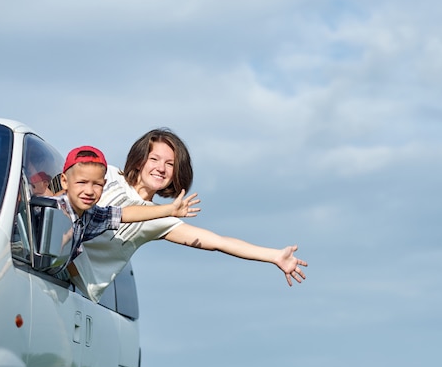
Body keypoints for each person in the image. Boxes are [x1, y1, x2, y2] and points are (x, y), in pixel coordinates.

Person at [70, 129, 307, 303]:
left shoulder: (161, 219)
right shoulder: (107, 175)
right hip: (53, 263)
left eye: (170, 164)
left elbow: (219, 242)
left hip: (78, 287)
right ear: (140, 159)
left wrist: (274, 255)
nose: (161, 168)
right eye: (154, 159)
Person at [55, 145, 201, 263]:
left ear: (104, 184)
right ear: (64, 182)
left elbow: (125, 213)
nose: (89, 191)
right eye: (82, 182)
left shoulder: (92, 215)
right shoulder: (53, 210)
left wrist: (170, 209)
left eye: (97, 184)